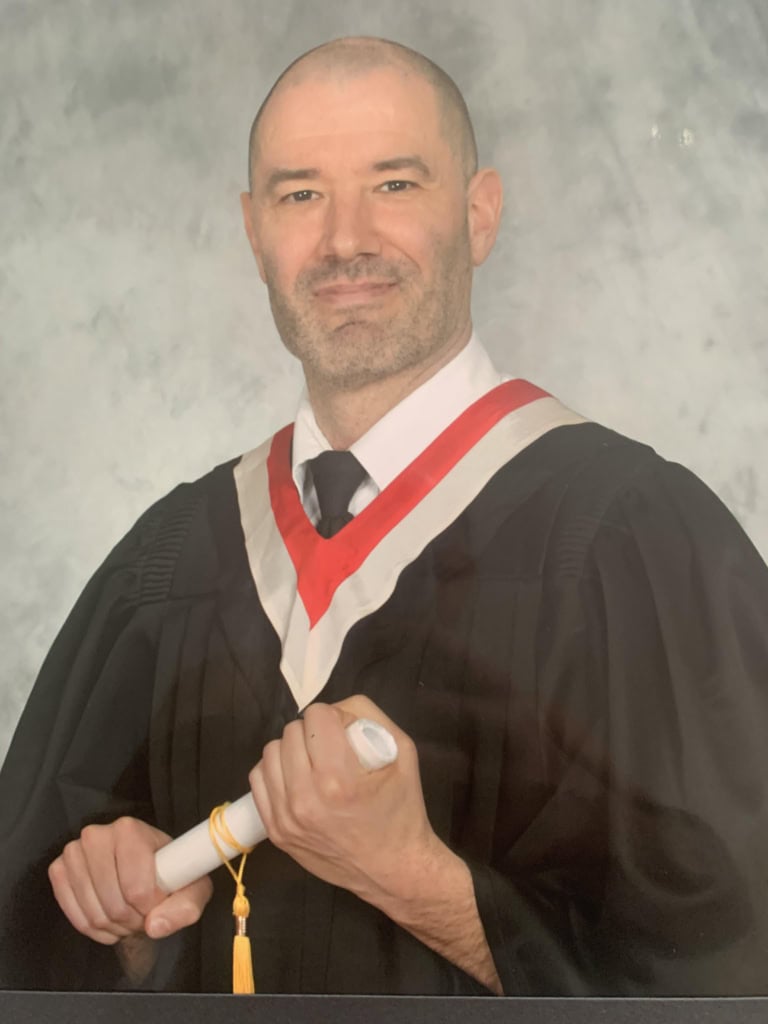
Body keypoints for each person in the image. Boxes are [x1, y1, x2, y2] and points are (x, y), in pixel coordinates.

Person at [2, 35, 768, 997]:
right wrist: (125, 931)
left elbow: (734, 970)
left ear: (479, 214)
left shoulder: (637, 540)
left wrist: (415, 879)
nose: (343, 239)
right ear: (253, 231)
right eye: (299, 194)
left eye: (395, 185)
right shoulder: (165, 563)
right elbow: (27, 953)